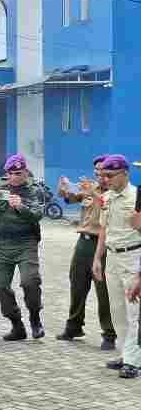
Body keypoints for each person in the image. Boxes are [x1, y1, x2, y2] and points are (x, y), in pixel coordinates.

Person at [0, 154, 45, 341]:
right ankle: (17, 324)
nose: (15, 177)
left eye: (19, 173)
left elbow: (38, 214)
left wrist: (20, 207)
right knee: (1, 287)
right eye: (11, 173)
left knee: (30, 281)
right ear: (7, 174)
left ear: (25, 172)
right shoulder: (0, 187)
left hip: (26, 243)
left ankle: (35, 317)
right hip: (2, 245)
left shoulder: (34, 190)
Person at [55, 155, 116, 350]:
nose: (99, 174)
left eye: (102, 170)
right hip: (84, 243)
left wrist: (93, 193)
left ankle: (109, 333)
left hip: (105, 245)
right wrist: (64, 187)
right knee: (77, 285)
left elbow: (109, 206)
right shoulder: (90, 188)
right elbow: (70, 198)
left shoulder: (117, 192)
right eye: (96, 170)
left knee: (104, 291)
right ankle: (73, 327)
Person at [93, 155, 141, 378]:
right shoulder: (106, 198)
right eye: (103, 175)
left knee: (134, 312)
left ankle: (134, 360)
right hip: (112, 258)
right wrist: (97, 258)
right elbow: (103, 230)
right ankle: (126, 353)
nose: (105, 179)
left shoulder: (137, 196)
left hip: (133, 258)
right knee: (117, 311)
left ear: (125, 173)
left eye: (110, 175)